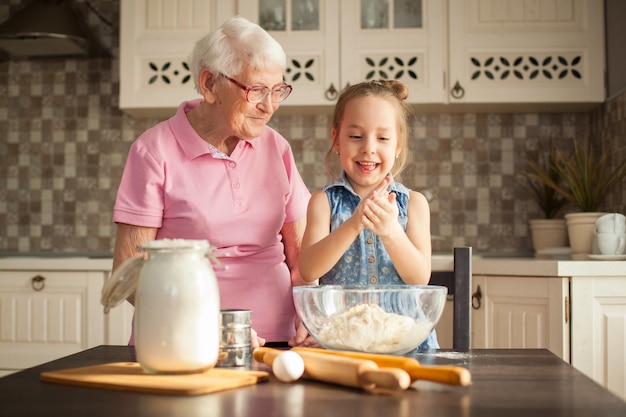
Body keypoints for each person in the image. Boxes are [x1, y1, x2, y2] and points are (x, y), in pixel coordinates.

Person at [111, 16, 314, 349]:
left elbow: (303, 257)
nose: (269, 106)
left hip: (279, 341)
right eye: (257, 90)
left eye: (277, 90)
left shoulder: (276, 146)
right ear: (209, 84)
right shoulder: (153, 151)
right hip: (182, 342)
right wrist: (210, 327)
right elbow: (130, 275)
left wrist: (310, 313)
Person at [298, 79, 438, 350]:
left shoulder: (413, 205)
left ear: (398, 146)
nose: (368, 148)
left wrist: (390, 230)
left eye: (383, 138)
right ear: (336, 140)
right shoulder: (323, 203)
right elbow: (309, 269)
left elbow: (420, 278)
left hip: (405, 343)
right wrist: (354, 223)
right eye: (356, 136)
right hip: (343, 342)